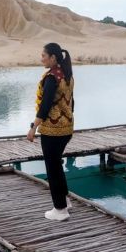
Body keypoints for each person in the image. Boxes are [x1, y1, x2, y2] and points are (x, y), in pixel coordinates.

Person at [27, 43, 75, 221]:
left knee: (52, 168)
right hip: (67, 128)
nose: (42, 59)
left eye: (44, 55)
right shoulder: (67, 74)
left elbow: (44, 106)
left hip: (53, 131)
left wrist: (33, 128)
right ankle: (65, 201)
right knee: (57, 165)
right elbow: (72, 102)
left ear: (53, 57)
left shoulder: (51, 77)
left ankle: (60, 210)